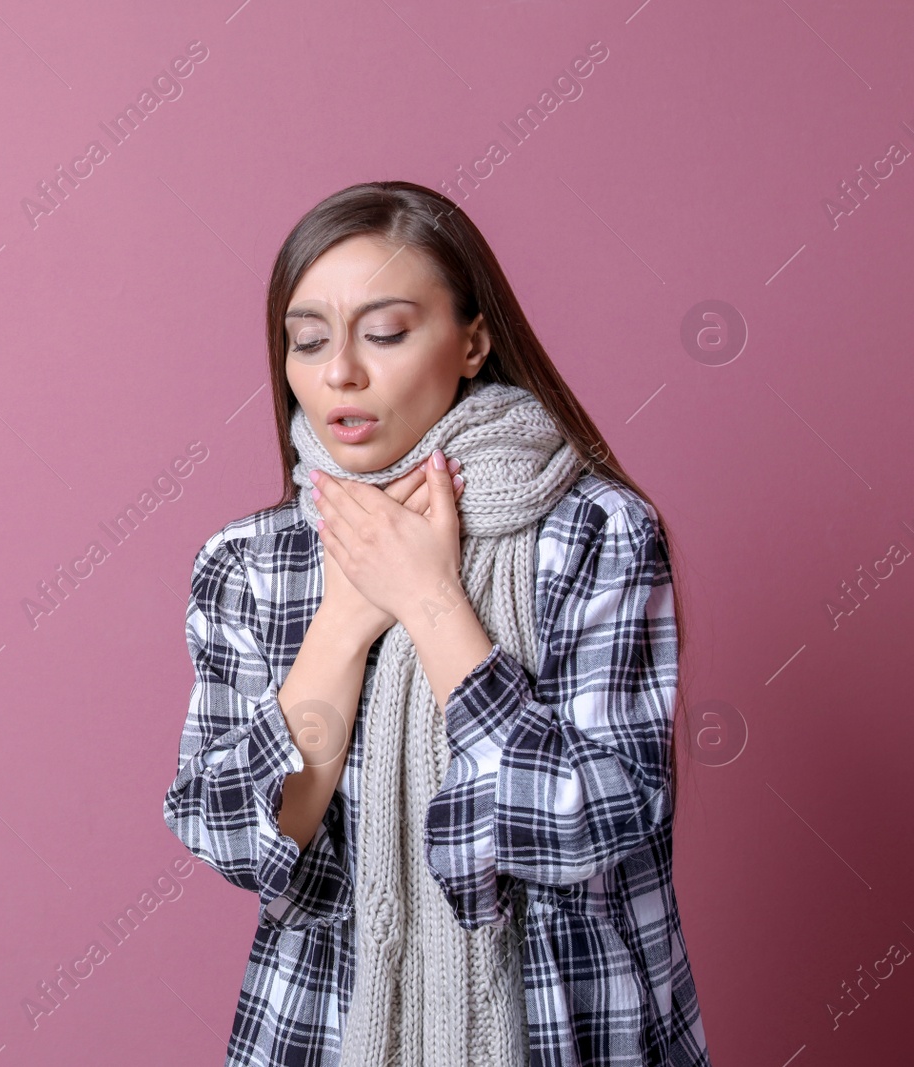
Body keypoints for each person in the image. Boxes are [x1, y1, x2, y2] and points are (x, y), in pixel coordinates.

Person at [162, 181, 711, 1067]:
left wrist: (429, 600)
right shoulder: (250, 563)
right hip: (325, 1030)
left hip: (565, 1029)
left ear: (472, 342)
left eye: (384, 332)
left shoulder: (596, 533)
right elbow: (234, 836)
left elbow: (594, 823)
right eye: (307, 339)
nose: (340, 370)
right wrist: (345, 621)